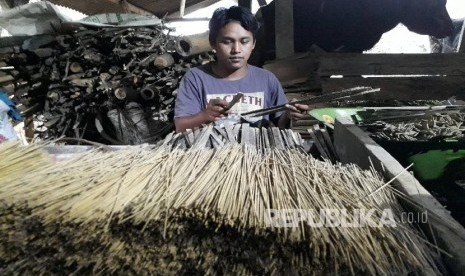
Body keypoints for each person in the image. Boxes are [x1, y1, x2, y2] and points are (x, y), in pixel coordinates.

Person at [174, 6, 308, 133]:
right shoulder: (196, 78)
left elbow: (280, 123)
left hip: (257, 155)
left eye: (244, 42)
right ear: (212, 42)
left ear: (253, 43)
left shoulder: (266, 79)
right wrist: (204, 116)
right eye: (227, 42)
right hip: (211, 155)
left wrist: (290, 114)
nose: (236, 50)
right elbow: (180, 127)